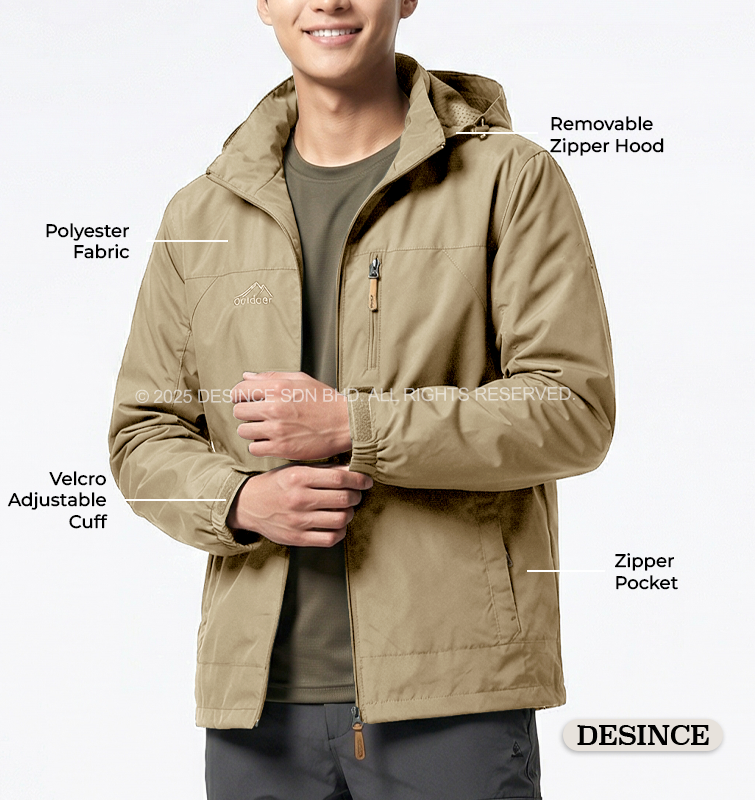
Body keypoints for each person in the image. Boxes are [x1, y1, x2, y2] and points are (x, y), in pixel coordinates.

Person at [109, 0, 615, 797]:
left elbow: (571, 410)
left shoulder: (508, 179)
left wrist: (354, 423)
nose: (329, 2)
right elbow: (143, 433)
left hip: (452, 693)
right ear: (264, 4)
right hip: (256, 707)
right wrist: (238, 500)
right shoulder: (201, 212)